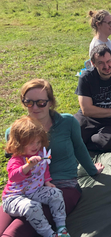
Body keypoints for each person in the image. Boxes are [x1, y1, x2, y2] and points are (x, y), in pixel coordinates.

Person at [0, 79, 103, 237]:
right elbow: (16, 167)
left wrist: (92, 170)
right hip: (24, 190)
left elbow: (79, 148)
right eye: (29, 102)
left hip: (61, 188)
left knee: (14, 232)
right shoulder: (14, 131)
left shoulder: (67, 122)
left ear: (50, 102)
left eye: (41, 102)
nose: (35, 107)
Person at [3, 116, 70, 237]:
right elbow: (14, 177)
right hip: (14, 197)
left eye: (38, 142)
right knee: (32, 207)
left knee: (56, 194)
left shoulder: (39, 154)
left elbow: (44, 168)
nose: (36, 146)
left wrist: (47, 181)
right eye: (31, 143)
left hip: (34, 191)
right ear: (20, 143)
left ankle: (61, 226)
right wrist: (28, 166)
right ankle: (49, 233)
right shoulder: (16, 159)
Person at [74, 44, 111, 152]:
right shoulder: (86, 78)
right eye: (101, 63)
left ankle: (83, 143)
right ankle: (80, 141)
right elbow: (86, 110)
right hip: (90, 118)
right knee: (72, 131)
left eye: (108, 61)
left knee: (110, 141)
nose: (106, 67)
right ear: (93, 64)